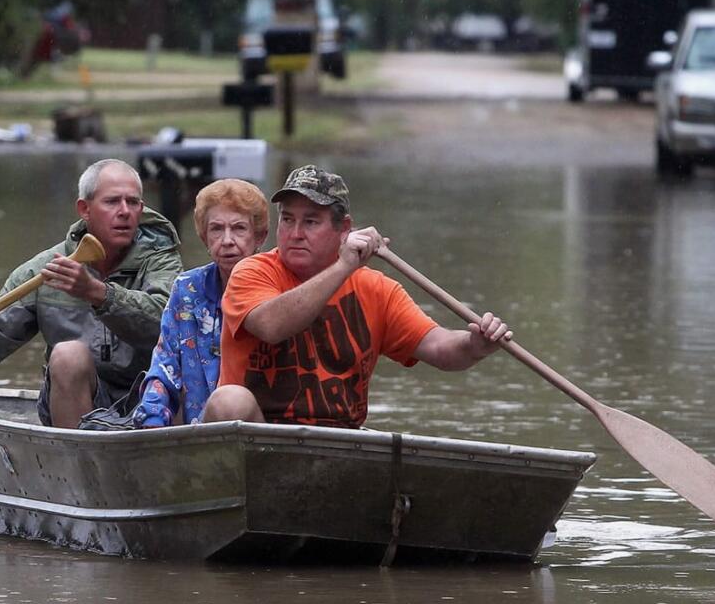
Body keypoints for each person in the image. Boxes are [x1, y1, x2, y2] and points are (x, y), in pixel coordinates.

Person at [202, 164, 512, 429]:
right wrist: (344, 266)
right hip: (261, 440)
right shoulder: (251, 272)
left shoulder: (377, 289)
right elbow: (272, 326)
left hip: (339, 442)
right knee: (229, 400)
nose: (295, 233)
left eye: (310, 221)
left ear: (344, 229)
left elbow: (438, 346)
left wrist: (475, 345)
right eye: (287, 219)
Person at [0, 159, 182, 429]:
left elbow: (164, 322)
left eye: (133, 202)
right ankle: (74, 466)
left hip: (151, 400)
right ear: (85, 209)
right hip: (77, 405)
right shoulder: (44, 270)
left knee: (187, 367)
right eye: (112, 202)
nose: (124, 211)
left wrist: (98, 294)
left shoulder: (162, 261)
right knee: (67, 354)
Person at [132, 178, 269, 427]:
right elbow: (165, 367)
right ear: (205, 238)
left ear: (259, 236)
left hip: (264, 435)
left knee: (232, 402)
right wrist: (150, 422)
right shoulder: (187, 289)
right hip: (199, 434)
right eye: (216, 229)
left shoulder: (278, 286)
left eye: (239, 228)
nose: (227, 240)